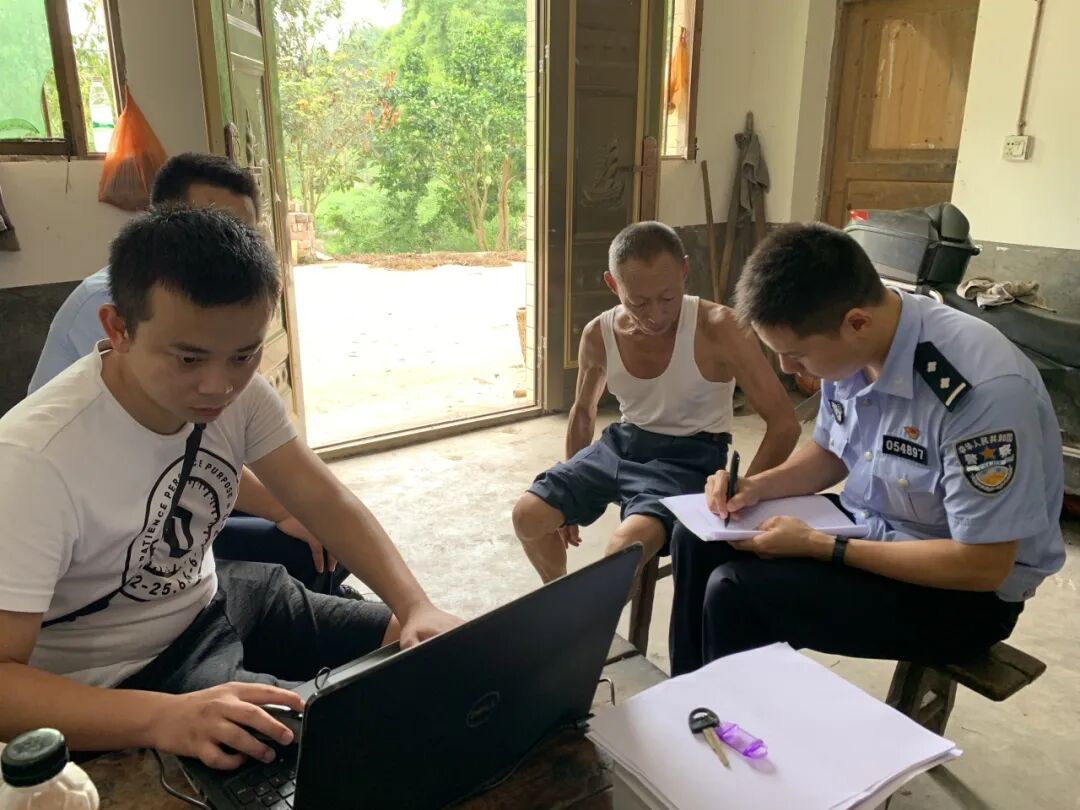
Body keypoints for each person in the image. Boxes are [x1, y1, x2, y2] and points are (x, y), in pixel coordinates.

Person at [0, 207, 461, 770]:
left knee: (429, 653)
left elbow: (325, 500)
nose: (218, 386)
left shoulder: (239, 397)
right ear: (118, 329)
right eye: (188, 358)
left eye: (244, 355)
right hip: (130, 676)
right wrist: (160, 717)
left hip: (220, 596)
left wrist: (416, 605)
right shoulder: (33, 461)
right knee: (346, 749)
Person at [669, 223, 1066, 675]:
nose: (787, 367)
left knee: (736, 592)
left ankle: (730, 716)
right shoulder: (852, 344)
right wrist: (755, 487)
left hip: (964, 592)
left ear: (856, 322)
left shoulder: (979, 392)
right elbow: (831, 452)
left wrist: (822, 546)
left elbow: (982, 565)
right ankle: (690, 699)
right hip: (871, 525)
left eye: (797, 354)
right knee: (696, 539)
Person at [29, 152, 350, 596]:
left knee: (332, 539)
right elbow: (179, 457)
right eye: (210, 224)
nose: (223, 249)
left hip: (172, 479)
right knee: (301, 547)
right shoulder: (132, 308)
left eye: (241, 234)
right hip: (120, 508)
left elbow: (229, 455)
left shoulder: (223, 338)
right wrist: (282, 510)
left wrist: (303, 509)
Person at [512, 221, 800, 582]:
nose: (656, 314)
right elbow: (583, 412)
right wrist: (569, 500)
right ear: (613, 284)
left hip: (690, 457)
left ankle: (592, 614)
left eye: (668, 298)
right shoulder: (599, 334)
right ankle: (562, 600)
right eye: (638, 302)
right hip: (621, 445)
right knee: (527, 516)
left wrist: (745, 490)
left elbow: (785, 424)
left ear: (684, 271)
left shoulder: (720, 328)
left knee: (623, 549)